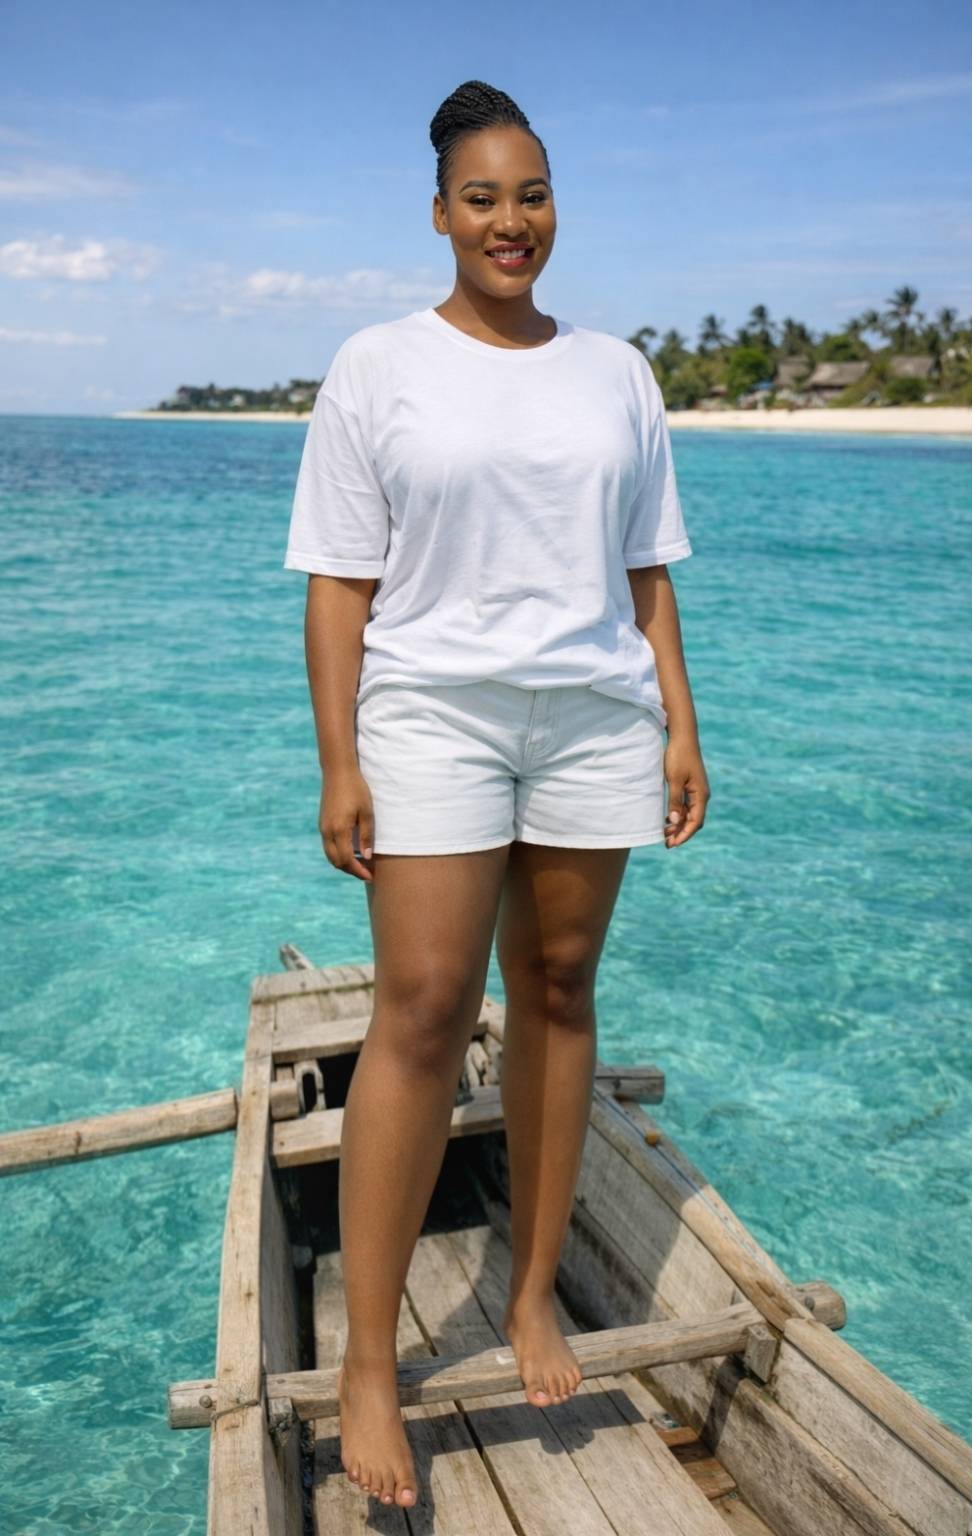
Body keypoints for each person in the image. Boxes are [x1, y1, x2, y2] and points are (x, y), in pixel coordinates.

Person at [283, 78, 710, 1512]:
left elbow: (646, 568)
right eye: (483, 198)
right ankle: (369, 1362)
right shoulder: (377, 365)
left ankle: (530, 1295)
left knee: (561, 987)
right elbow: (339, 583)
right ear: (439, 214)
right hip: (432, 713)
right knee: (419, 1007)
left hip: (593, 716)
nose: (510, 220)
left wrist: (679, 726)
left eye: (531, 195)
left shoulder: (617, 370)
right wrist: (340, 757)